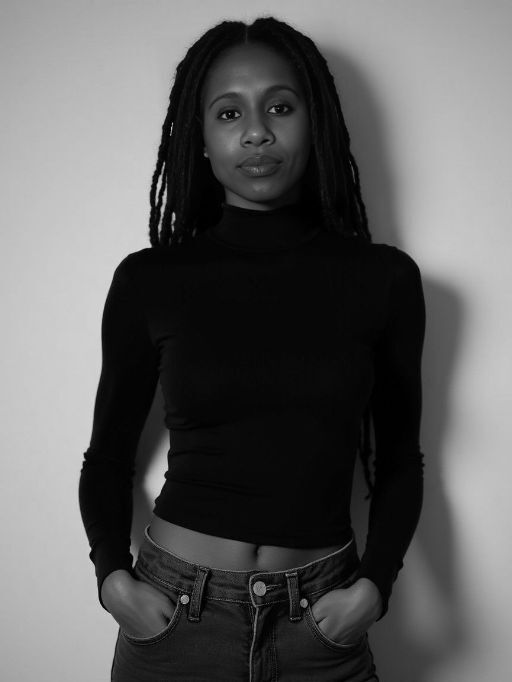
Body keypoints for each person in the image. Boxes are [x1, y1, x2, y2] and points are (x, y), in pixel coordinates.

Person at [78, 15, 426, 682]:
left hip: (322, 623)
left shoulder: (383, 281)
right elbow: (108, 458)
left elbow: (400, 460)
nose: (257, 132)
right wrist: (113, 581)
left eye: (281, 107)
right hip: (174, 619)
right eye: (229, 112)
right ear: (202, 138)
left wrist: (373, 588)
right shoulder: (150, 281)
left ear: (314, 123)